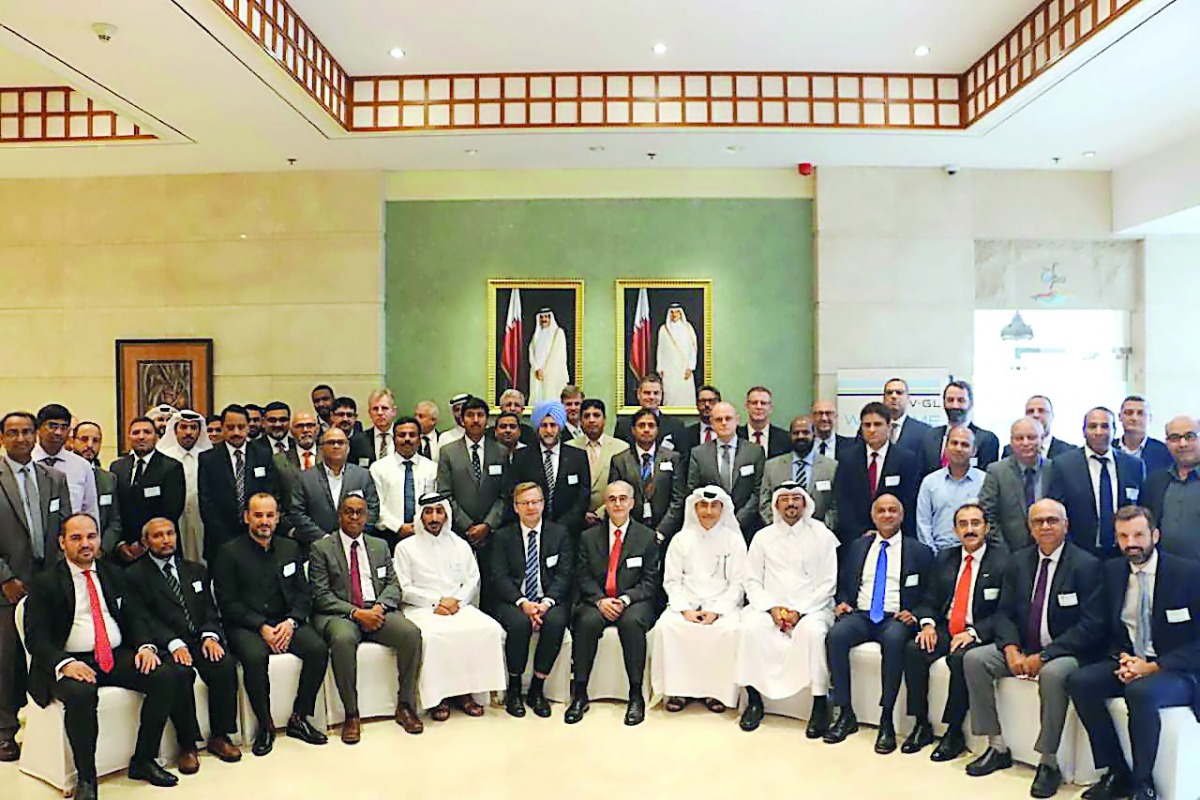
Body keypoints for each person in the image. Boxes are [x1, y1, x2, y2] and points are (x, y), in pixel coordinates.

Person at [24, 514, 188, 795]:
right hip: (71, 661)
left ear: (99, 539)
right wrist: (65, 663)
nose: (85, 544)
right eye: (76, 538)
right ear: (62, 543)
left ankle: (144, 759)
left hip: (114, 654)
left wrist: (145, 646)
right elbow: (36, 638)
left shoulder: (114, 573)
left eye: (91, 536)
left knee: (165, 675)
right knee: (81, 693)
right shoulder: (45, 583)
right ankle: (87, 778)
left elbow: (136, 617)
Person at [963, 498, 1105, 798]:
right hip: (1025, 646)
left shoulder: (1086, 565)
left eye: (1052, 520)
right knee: (975, 659)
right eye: (1038, 521)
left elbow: (1092, 625)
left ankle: (1048, 761)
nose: (1045, 526)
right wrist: (1012, 649)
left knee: (1053, 675)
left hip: (1067, 653)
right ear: (1030, 527)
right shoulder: (1018, 561)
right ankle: (996, 745)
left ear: (1065, 525)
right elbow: (1004, 613)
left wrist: (1045, 656)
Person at [1067, 506, 1200, 800]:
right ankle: (1117, 772)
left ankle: (1143, 782)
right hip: (1132, 660)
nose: (1131, 543)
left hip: (1178, 669)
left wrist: (1153, 667)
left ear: (1155, 535)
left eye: (1139, 534)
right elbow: (1109, 628)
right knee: (1080, 682)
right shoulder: (1113, 571)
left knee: (1139, 692)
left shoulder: (1188, 573)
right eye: (1123, 536)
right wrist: (1124, 659)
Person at [213, 493, 328, 756]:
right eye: (258, 515)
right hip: (247, 625)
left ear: (277, 518)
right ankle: (265, 726)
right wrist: (262, 627)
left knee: (318, 648)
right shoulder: (228, 552)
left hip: (285, 620)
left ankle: (299, 717)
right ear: (246, 518)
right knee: (254, 657)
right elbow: (227, 602)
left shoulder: (291, 548)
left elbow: (304, 593)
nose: (264, 521)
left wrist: (291, 622)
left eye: (269, 515)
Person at [125, 518, 242, 768]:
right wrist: (173, 643)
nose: (166, 540)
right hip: (166, 644)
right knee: (181, 674)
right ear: (146, 542)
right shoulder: (135, 575)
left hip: (198, 639)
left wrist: (210, 636)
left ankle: (220, 735)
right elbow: (142, 619)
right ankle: (187, 745)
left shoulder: (195, 569)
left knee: (223, 663)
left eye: (170, 533)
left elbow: (210, 610)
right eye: (158, 536)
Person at [309, 494, 423, 742]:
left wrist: (380, 608)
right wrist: (356, 613)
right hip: (341, 614)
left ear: (366, 516)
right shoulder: (321, 548)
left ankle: (406, 706)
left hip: (377, 610)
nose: (354, 517)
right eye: (348, 511)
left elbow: (394, 585)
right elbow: (321, 595)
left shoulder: (379, 545)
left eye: (359, 512)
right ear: (339, 515)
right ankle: (351, 714)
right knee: (342, 640)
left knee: (411, 634)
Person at [824, 494, 934, 753]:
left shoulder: (919, 551)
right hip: (862, 614)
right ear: (873, 516)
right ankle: (845, 713)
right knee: (836, 636)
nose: (887, 515)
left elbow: (931, 594)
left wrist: (915, 613)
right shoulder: (857, 547)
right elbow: (843, 584)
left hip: (895, 616)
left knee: (896, 641)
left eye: (892, 510)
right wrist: (841, 602)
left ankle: (886, 719)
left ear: (902, 515)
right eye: (881, 511)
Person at [901, 503, 1008, 761]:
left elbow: (1007, 611)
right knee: (914, 650)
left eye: (975, 523)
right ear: (955, 530)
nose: (969, 530)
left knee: (961, 658)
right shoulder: (945, 558)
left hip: (979, 632)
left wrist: (974, 632)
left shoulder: (1004, 560)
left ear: (987, 527)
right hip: (947, 627)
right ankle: (921, 723)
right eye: (963, 524)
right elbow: (929, 599)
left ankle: (953, 731)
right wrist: (927, 624)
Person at [737, 482, 839, 737]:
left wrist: (800, 611)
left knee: (814, 634)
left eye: (796, 499)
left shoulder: (822, 535)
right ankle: (754, 700)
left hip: (813, 608)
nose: (791, 504)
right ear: (776, 505)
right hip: (771, 607)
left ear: (805, 503)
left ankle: (818, 704)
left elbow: (829, 582)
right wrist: (771, 608)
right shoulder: (763, 537)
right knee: (749, 628)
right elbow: (751, 580)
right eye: (785, 499)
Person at [393, 493, 506, 721]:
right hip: (422, 608)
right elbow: (403, 588)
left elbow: (472, 579)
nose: (434, 517)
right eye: (428, 512)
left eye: (439, 511)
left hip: (458, 605)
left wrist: (458, 602)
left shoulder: (460, 544)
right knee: (433, 636)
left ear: (446, 514)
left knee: (486, 629)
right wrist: (436, 602)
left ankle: (465, 693)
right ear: (420, 516)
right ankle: (439, 698)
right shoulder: (405, 547)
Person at [0, 411, 72, 762]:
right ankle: (5, 732)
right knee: (6, 660)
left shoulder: (54, 477)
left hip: (49, 583)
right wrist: (4, 578)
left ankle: (47, 728)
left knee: (48, 651)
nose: (22, 438)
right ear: (2, 438)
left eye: (27, 432)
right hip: (8, 584)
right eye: (13, 433)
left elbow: (66, 528)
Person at [565, 481, 662, 727]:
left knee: (631, 623)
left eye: (622, 499)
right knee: (586, 622)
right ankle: (580, 693)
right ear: (604, 505)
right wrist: (599, 600)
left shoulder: (647, 537)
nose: (617, 504)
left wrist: (625, 599)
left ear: (632, 503)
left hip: (633, 600)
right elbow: (582, 575)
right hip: (597, 599)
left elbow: (650, 581)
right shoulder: (588, 537)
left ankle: (635, 694)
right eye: (611, 499)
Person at [652, 486, 747, 715]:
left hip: (723, 606)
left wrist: (716, 610)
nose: (708, 511)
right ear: (694, 508)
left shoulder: (734, 541)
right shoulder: (680, 540)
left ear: (722, 509)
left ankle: (715, 692)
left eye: (714, 506)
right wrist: (686, 610)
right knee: (667, 627)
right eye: (703, 505)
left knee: (728, 631)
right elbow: (671, 582)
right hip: (685, 604)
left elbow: (738, 583)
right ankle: (678, 690)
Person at [488, 482, 574, 718]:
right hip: (514, 600)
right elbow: (499, 576)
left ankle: (538, 687)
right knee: (519, 624)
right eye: (525, 503)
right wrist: (523, 603)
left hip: (549, 600)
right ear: (515, 507)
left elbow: (564, 575)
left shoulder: (559, 533)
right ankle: (515, 688)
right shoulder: (503, 536)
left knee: (556, 621)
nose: (531, 507)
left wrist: (545, 603)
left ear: (543, 504)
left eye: (536, 502)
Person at [1047, 407, 1145, 559]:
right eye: (1093, 426)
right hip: (1079, 553)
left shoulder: (1133, 465)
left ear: (1114, 430)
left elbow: (1141, 507)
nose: (1099, 432)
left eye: (1105, 426)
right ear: (1083, 431)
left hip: (1123, 551)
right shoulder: (1064, 465)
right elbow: (1057, 511)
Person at [437, 396, 508, 583]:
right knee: (459, 582)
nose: (475, 420)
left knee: (492, 584)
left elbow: (505, 495)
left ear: (488, 419)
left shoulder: (500, 452)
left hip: (492, 532)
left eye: (480, 415)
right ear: (462, 419)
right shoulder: (448, 452)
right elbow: (445, 494)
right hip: (459, 532)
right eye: (470, 415)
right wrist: (468, 526)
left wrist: (487, 525)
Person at [198, 404, 280, 564]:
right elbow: (206, 503)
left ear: (249, 427)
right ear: (222, 428)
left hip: (257, 535)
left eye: (241, 427)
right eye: (230, 427)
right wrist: (226, 538)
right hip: (220, 539)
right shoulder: (208, 458)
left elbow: (271, 491)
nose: (236, 432)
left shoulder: (263, 454)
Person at [832, 402, 920, 542]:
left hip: (895, 537)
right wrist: (861, 533)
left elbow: (909, 501)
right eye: (867, 425)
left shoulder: (906, 459)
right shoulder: (847, 458)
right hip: (856, 539)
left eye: (877, 424)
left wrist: (887, 531)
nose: (872, 430)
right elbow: (842, 501)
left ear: (889, 427)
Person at [504, 401, 591, 536]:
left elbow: (583, 495)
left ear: (560, 427)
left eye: (553, 425)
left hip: (569, 530)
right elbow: (514, 491)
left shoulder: (577, 456)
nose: (549, 430)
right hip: (531, 527)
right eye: (544, 425)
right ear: (537, 427)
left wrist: (563, 525)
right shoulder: (522, 456)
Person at [110, 416, 185, 565]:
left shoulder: (171, 467)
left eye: (147, 432)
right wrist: (121, 543)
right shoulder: (117, 467)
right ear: (129, 437)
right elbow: (115, 509)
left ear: (156, 437)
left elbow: (172, 510)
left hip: (159, 546)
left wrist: (143, 543)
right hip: (124, 550)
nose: (141, 437)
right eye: (136, 433)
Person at [289, 426, 379, 549]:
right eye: (331, 443)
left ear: (348, 447)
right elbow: (297, 513)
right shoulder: (304, 478)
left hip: (356, 544)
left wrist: (355, 534)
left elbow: (372, 509)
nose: (336, 446)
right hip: (317, 546)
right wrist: (324, 539)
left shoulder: (362, 476)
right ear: (321, 448)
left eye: (340, 442)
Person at [685, 401, 765, 540]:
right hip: (710, 527)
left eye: (728, 418)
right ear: (711, 422)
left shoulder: (755, 451)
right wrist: (715, 518)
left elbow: (758, 491)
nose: (723, 423)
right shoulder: (698, 453)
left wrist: (736, 520)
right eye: (718, 419)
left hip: (747, 527)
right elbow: (694, 492)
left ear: (737, 420)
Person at [608, 408, 686, 542]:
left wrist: (661, 532)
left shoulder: (672, 458)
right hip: (631, 533)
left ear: (657, 430)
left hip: (666, 533)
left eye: (651, 426)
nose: (646, 430)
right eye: (641, 425)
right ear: (633, 430)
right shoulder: (620, 460)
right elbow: (616, 499)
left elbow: (678, 500)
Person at [980, 417, 1051, 552]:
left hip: (1048, 550)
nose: (1025, 443)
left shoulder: (1053, 469)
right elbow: (987, 514)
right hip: (1008, 551)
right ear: (1011, 442)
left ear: (1042, 439)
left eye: (1031, 437)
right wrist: (1002, 549)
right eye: (1019, 438)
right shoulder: (996, 471)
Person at [370, 416, 438, 550]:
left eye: (412, 435)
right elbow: (376, 505)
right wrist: (399, 527)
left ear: (419, 440)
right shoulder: (378, 468)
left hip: (425, 534)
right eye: (402, 435)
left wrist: (418, 526)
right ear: (394, 439)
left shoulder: (432, 468)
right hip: (388, 536)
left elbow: (433, 503)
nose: (407, 439)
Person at [915, 426, 987, 552]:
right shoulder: (930, 482)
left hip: (976, 553)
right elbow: (923, 523)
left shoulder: (985, 481)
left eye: (965, 445)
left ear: (974, 451)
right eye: (954, 443)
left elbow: (990, 521)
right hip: (939, 553)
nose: (958, 448)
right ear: (945, 448)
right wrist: (932, 554)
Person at [156, 410, 212, 564]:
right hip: (173, 520)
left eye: (193, 428)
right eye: (183, 427)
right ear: (175, 430)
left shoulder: (208, 456)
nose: (188, 432)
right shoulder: (163, 457)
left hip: (201, 519)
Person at [760, 414, 836, 527]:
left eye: (805, 432)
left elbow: (835, 507)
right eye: (796, 433)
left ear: (814, 435)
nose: (800, 436)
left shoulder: (831, 467)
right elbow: (764, 503)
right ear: (790, 436)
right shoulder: (772, 466)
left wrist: (819, 530)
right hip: (780, 536)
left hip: (819, 537)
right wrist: (780, 528)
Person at [1143, 415, 1200, 561]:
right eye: (1175, 438)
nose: (1182, 444)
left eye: (1190, 436)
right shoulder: (1154, 482)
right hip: (1166, 573)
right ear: (1167, 443)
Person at [567, 398, 629, 526]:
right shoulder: (568, 447)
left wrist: (600, 513)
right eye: (586, 416)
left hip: (609, 518)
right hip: (574, 520)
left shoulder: (621, 448)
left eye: (596, 415)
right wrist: (580, 513)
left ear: (604, 419)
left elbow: (625, 485)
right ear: (581, 420)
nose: (591, 420)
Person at [32, 404, 98, 524]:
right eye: (52, 426)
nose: (58, 432)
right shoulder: (27, 463)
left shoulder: (82, 466)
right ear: (38, 429)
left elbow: (90, 510)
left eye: (64, 427)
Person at [918, 381, 1001, 474]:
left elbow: (988, 480)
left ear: (971, 403)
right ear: (943, 403)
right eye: (950, 400)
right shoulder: (929, 436)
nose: (955, 405)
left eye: (961, 400)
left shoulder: (987, 440)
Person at [70, 422, 122, 556]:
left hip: (100, 554)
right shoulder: (61, 474)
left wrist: (101, 548)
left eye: (95, 441)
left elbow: (114, 521)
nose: (89, 445)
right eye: (84, 439)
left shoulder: (108, 479)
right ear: (72, 441)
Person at [613, 373, 685, 449]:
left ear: (661, 395)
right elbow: (618, 457)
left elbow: (682, 457)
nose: (651, 397)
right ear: (638, 394)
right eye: (647, 393)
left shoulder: (676, 426)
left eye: (656, 393)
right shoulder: (623, 425)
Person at [1003, 395, 1076, 460]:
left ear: (1052, 416)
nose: (1036, 415)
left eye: (1041, 411)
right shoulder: (1010, 450)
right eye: (1030, 411)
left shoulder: (1069, 452)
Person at [273, 411, 319, 510]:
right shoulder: (278, 460)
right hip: (291, 522)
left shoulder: (328, 457)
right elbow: (276, 498)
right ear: (291, 431)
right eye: (300, 426)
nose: (305, 430)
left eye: (310, 425)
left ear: (317, 429)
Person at [1116, 396, 1172, 475]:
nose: (1134, 418)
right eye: (1129, 413)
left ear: (1150, 418)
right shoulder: (1109, 448)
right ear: (1119, 417)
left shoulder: (1164, 451)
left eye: (1140, 413)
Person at [656, 304, 699, 407]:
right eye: (672, 312)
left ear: (680, 313)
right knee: (669, 394)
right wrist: (660, 367)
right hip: (669, 370)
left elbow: (693, 349)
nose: (674, 314)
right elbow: (660, 349)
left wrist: (690, 367)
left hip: (684, 369)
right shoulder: (664, 329)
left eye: (676, 312)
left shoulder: (688, 328)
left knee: (685, 394)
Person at [529, 307, 570, 405]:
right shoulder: (537, 334)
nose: (544, 320)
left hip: (552, 373)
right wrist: (536, 368)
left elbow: (557, 355)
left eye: (547, 317)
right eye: (542, 317)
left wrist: (544, 370)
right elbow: (531, 351)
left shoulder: (558, 333)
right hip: (537, 373)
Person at [882, 378, 932, 453]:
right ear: (884, 398)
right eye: (889, 392)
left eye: (899, 392)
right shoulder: (872, 428)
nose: (894, 396)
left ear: (908, 398)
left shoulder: (924, 431)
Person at [739, 386, 791, 458]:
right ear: (747, 407)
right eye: (754, 403)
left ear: (770, 408)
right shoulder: (735, 436)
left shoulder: (785, 439)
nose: (759, 407)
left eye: (763, 403)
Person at [678, 385, 722, 461]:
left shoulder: (731, 432)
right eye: (702, 401)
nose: (707, 405)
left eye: (711, 401)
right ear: (697, 405)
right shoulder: (685, 435)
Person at [330, 397, 372, 467]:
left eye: (349, 415)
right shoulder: (324, 440)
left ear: (355, 417)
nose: (345, 419)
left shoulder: (365, 441)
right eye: (341, 414)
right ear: (332, 416)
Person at [362, 389, 399, 466]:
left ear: (394, 411)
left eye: (384, 408)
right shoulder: (359, 440)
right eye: (375, 409)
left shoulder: (405, 437)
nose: (380, 413)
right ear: (369, 413)